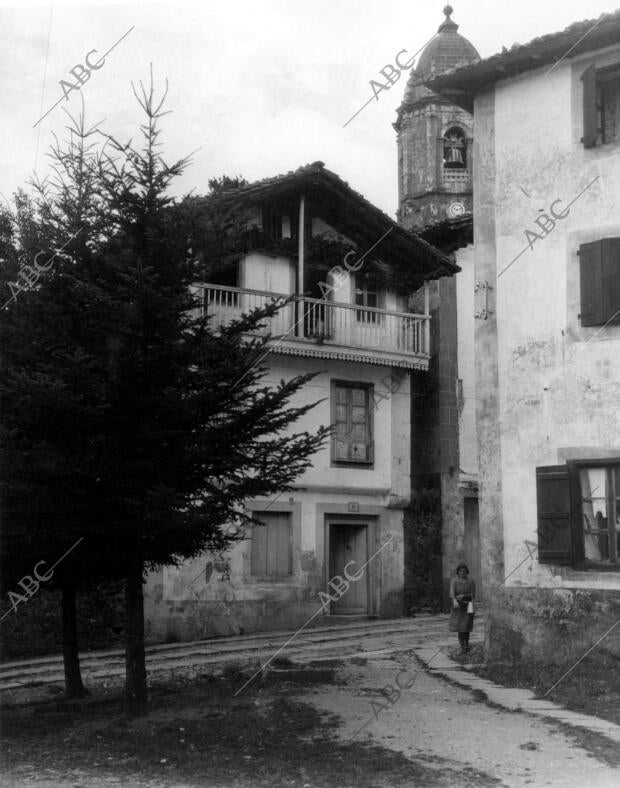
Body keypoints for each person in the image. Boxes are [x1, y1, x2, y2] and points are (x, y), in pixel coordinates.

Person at [449, 563, 476, 653]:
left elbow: (473, 595)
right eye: (461, 571)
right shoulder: (454, 581)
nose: (462, 573)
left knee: (466, 626)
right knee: (460, 627)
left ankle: (467, 644)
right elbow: (451, 593)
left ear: (467, 572)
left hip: (469, 605)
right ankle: (462, 646)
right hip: (458, 607)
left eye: (464, 571)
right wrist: (455, 600)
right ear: (458, 572)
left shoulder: (471, 581)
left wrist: (464, 596)